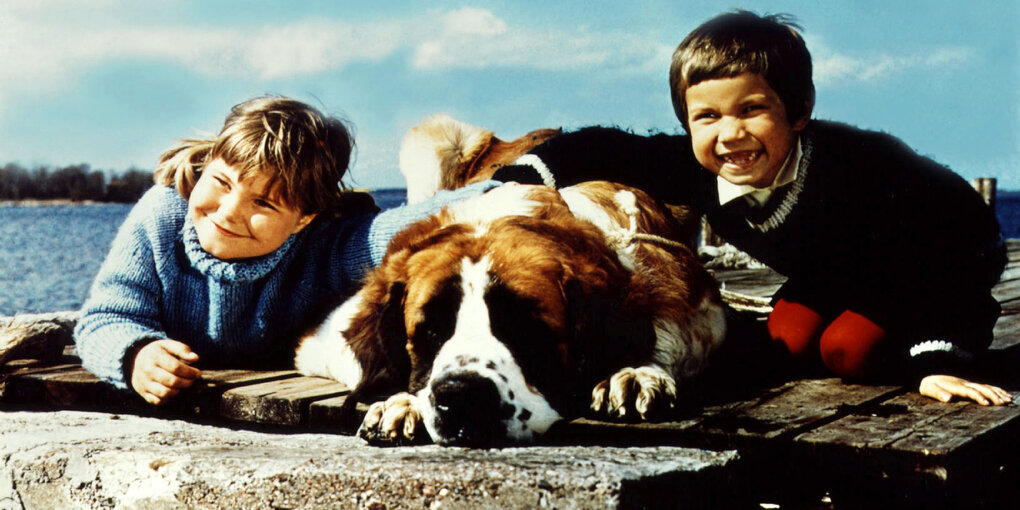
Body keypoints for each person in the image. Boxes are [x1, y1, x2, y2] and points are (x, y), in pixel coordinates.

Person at [492, 11, 1011, 405]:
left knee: (849, 351)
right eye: (707, 116)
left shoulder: (864, 173)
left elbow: (941, 267)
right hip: (835, 268)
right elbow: (601, 146)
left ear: (800, 111)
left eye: (752, 109)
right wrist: (512, 182)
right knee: (784, 342)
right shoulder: (695, 166)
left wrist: (934, 360)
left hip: (942, 261)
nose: (730, 134)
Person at [74, 96, 498, 405]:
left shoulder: (324, 245)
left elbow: (405, 223)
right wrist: (135, 355)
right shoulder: (161, 216)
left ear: (303, 218)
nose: (229, 212)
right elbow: (106, 318)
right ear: (208, 166)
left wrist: (510, 186)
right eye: (222, 182)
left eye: (263, 203)